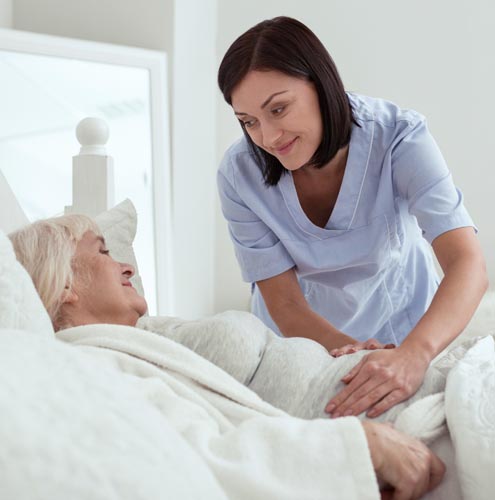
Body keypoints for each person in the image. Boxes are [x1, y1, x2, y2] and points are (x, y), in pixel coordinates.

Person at [8, 214, 446, 499]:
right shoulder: (94, 369)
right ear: (65, 283)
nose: (127, 267)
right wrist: (359, 446)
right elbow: (193, 459)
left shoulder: (142, 343)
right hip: (393, 431)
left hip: (403, 387)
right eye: (102, 252)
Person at [217, 16, 488, 419]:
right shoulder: (240, 174)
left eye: (279, 108)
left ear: (320, 84)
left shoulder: (398, 136)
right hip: (301, 343)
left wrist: (413, 355)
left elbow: (469, 264)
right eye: (249, 122)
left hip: (407, 333)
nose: (269, 137)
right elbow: (285, 303)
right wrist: (354, 358)